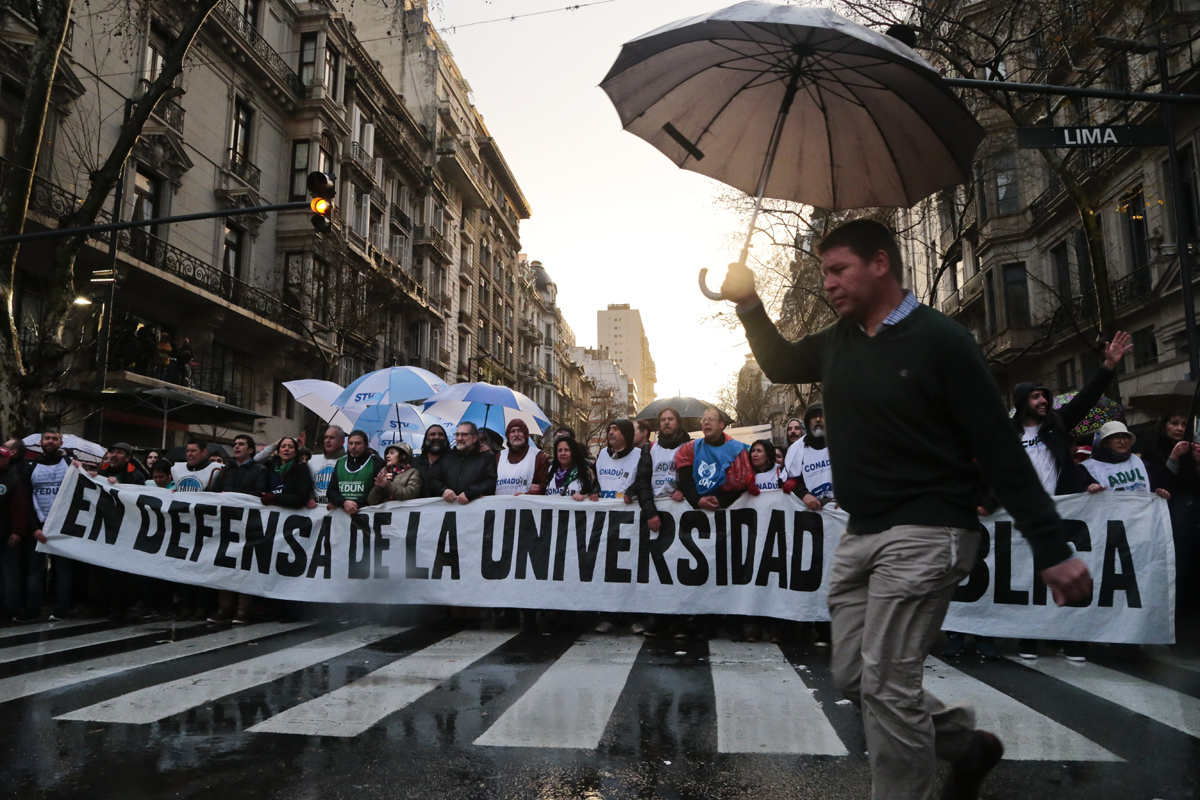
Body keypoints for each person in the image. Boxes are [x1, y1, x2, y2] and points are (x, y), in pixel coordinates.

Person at [721, 218, 1090, 800]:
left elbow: (1000, 447)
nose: (828, 284)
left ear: (880, 264)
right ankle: (966, 744)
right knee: (855, 673)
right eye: (822, 272)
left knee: (888, 683)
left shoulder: (943, 341)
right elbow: (782, 365)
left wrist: (1051, 545)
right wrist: (748, 303)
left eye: (838, 269)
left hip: (929, 530)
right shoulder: (837, 341)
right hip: (861, 535)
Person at [1007, 337, 1129, 663]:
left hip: (1063, 510)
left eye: (1045, 396)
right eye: (1035, 396)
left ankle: (1071, 641)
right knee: (1027, 579)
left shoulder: (1058, 424)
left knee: (1067, 572)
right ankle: (1030, 640)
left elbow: (1087, 398)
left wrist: (1108, 366)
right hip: (1025, 516)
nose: (1043, 401)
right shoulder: (1008, 434)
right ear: (1022, 401)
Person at [1141, 412, 1200, 615]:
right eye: (1174, 423)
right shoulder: (1152, 451)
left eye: (1184, 424)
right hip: (1172, 512)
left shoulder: (1193, 449)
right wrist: (1174, 458)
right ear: (1163, 427)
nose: (1180, 428)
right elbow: (1158, 482)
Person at [209, 435, 270, 624]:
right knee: (224, 564)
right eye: (235, 444)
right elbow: (213, 493)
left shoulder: (260, 470)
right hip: (227, 523)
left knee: (245, 566)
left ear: (251, 450)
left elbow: (258, 494)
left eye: (241, 444)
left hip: (248, 524)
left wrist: (233, 497)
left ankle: (244, 609)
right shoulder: (226, 471)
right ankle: (225, 608)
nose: (236, 447)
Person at [29, 431, 76, 620]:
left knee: (63, 569)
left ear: (61, 442)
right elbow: (25, 499)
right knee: (35, 569)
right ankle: (34, 609)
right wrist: (34, 527)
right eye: (47, 438)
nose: (50, 441)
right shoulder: (29, 467)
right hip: (38, 525)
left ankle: (62, 608)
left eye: (54, 439)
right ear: (40, 442)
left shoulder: (72, 465)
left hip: (63, 525)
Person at [676, 408, 752, 511]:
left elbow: (742, 483)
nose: (706, 422)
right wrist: (697, 500)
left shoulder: (738, 450)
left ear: (721, 425)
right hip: (698, 513)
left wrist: (722, 499)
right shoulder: (690, 448)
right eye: (703, 420)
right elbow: (685, 479)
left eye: (711, 419)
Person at [429, 422, 496, 504]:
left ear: (474, 438)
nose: (459, 438)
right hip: (449, 512)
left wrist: (471, 493)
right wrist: (443, 490)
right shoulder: (446, 457)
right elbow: (432, 479)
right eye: (457, 435)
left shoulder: (487, 458)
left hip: (476, 512)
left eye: (464, 435)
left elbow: (491, 482)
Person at [781, 404, 832, 510]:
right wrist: (804, 495)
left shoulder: (842, 442)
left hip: (840, 511)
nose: (818, 419)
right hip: (811, 512)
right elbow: (786, 481)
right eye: (814, 416)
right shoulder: (796, 449)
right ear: (808, 422)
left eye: (821, 415)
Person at [0, 445, 30, 622]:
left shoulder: (13, 480)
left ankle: (10, 607)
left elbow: (19, 508)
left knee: (9, 573)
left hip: (6, 535)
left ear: (7, 459)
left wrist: (17, 531)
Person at [326, 430, 385, 514]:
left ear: (366, 445)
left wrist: (354, 505)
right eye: (350, 443)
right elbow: (331, 490)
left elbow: (379, 492)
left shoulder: (376, 461)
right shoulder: (341, 462)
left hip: (368, 514)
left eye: (358, 443)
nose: (353, 446)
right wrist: (343, 502)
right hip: (343, 515)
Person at [494, 419, 550, 496]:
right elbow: (490, 483)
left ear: (526, 434)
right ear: (508, 435)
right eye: (512, 431)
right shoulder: (499, 456)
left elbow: (545, 487)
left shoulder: (538, 457)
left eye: (520, 431)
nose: (516, 434)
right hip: (500, 506)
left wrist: (532, 493)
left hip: (526, 506)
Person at [592, 419, 640, 501]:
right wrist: (594, 490)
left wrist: (632, 492)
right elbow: (594, 479)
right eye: (609, 429)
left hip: (625, 509)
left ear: (626, 433)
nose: (610, 432)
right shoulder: (603, 453)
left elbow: (643, 481)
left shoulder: (639, 455)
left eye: (615, 429)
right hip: (604, 509)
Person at [262, 436, 315, 509]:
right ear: (278, 451)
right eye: (283, 446)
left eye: (290, 447)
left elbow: (301, 498)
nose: (286, 449)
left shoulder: (302, 469)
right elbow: (256, 459)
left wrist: (275, 498)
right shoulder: (270, 467)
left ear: (296, 453)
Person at [307, 425, 346, 508]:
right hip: (315, 512)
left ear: (342, 441)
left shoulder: (348, 461)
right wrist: (309, 498)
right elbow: (305, 483)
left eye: (332, 438)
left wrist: (339, 501)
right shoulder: (312, 461)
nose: (327, 441)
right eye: (326, 437)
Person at [414, 424, 449, 495]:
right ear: (426, 438)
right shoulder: (414, 462)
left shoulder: (454, 461)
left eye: (441, 434)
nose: (437, 437)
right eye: (432, 434)